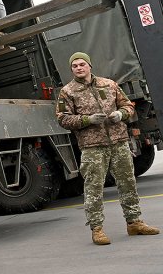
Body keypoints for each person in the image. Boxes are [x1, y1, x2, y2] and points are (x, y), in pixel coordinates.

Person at [56, 52, 159, 245]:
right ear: (72, 69)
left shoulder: (109, 84)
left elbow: (128, 106)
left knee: (128, 183)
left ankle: (134, 222)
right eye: (74, 66)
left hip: (119, 142)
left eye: (82, 64)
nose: (78, 68)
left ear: (89, 65)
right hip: (92, 146)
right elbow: (63, 119)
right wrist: (87, 120)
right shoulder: (67, 92)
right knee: (93, 188)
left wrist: (121, 114)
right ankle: (97, 229)